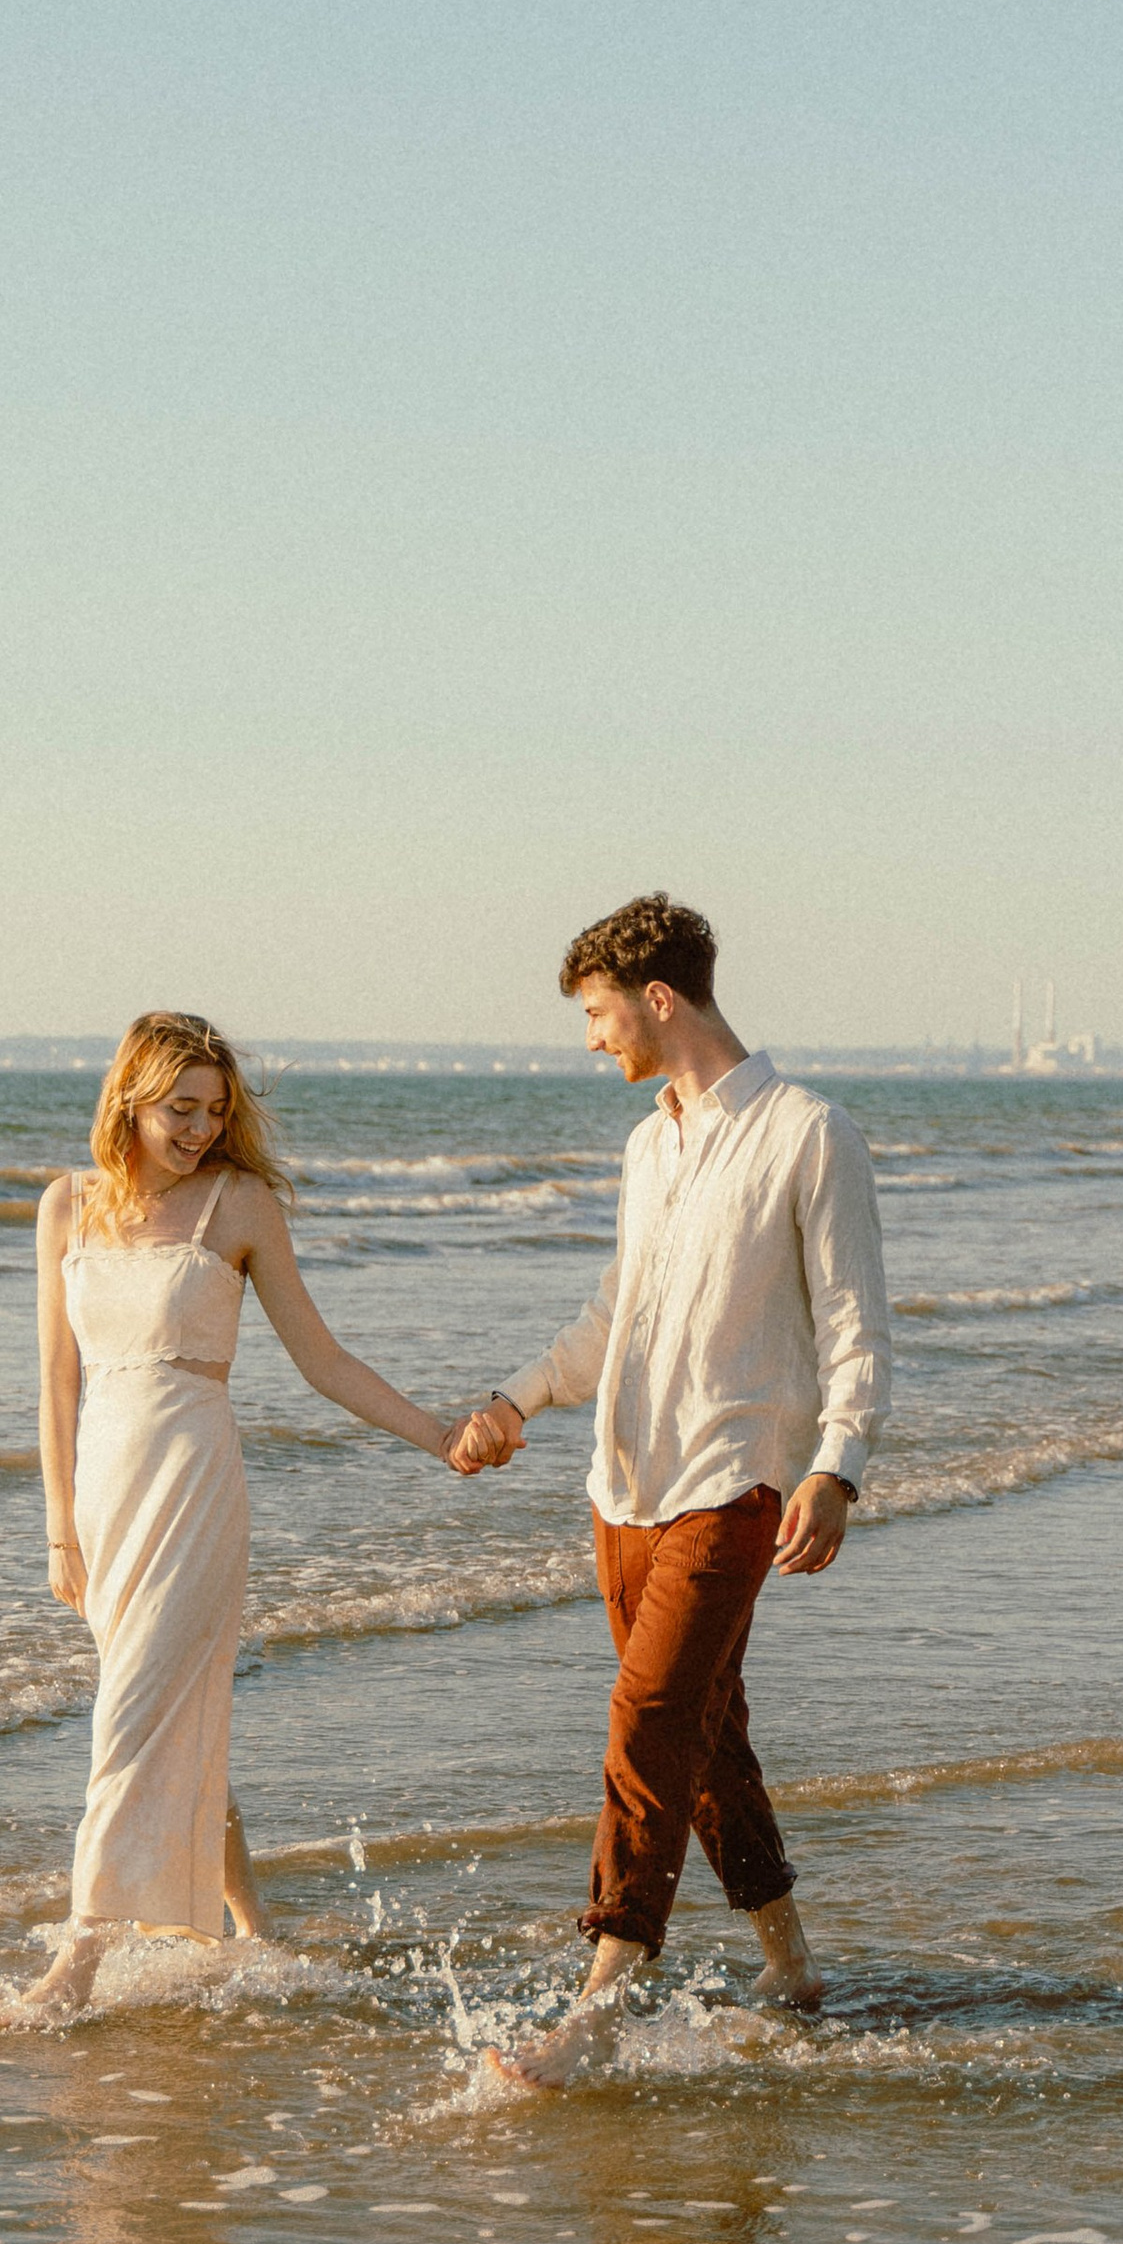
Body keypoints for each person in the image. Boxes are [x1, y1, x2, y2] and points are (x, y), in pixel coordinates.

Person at [449, 894, 892, 2087]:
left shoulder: (808, 1132)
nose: (591, 1038)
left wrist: (836, 1463)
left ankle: (603, 1991)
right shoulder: (648, 1145)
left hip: (736, 1483)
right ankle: (787, 1957)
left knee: (647, 1720)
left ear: (657, 999)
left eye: (596, 1013)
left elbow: (855, 1321)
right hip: (624, 1482)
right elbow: (617, 1314)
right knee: (704, 1733)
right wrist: (520, 1396)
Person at [0, 1010, 466, 2029]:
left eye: (214, 1110)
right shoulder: (64, 1207)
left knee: (131, 1721)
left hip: (194, 1485)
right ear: (130, 1100)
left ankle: (76, 1962)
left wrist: (437, 1434)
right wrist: (58, 1527)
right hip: (105, 1499)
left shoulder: (239, 1207)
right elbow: (54, 1386)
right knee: (167, 1714)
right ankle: (251, 1925)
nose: (199, 1129)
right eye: (179, 1109)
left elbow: (321, 1360)